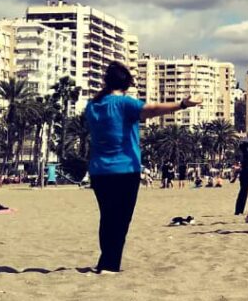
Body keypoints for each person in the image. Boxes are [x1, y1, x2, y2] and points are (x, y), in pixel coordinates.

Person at [85, 61, 201, 273]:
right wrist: (183, 104)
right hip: (124, 170)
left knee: (108, 216)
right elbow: (152, 109)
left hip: (99, 170)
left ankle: (106, 261)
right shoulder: (124, 104)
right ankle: (110, 265)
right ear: (127, 83)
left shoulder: (92, 106)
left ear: (105, 81)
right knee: (121, 219)